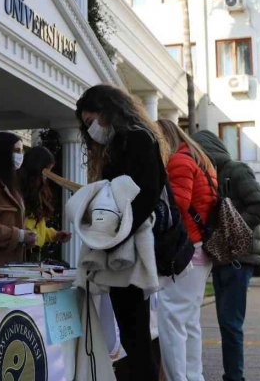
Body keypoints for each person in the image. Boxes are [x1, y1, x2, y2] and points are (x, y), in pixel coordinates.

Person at [75, 84, 166, 381]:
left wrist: (116, 233)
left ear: (108, 111)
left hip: (129, 244)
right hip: (120, 243)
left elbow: (148, 192)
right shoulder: (118, 143)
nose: (91, 130)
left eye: (92, 121)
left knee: (136, 333)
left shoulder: (138, 139)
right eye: (85, 124)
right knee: (131, 332)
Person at [193, 130, 260, 381]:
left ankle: (235, 377)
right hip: (222, 256)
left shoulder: (236, 171)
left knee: (230, 323)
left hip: (238, 258)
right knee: (227, 323)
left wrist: (230, 230)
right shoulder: (209, 175)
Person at [154, 119, 218, 381]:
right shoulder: (200, 159)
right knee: (189, 322)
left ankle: (179, 377)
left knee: (171, 322)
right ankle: (194, 376)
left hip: (188, 252)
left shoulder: (179, 161)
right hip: (202, 250)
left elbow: (176, 204)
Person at [0, 132, 34, 267]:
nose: (20, 155)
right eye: (16, 151)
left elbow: (15, 221)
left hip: (15, 264)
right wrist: (20, 235)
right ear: (4, 153)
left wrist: (27, 235)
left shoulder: (13, 185)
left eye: (21, 151)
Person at [18, 146, 72, 260]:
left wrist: (54, 235)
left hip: (34, 253)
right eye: (46, 172)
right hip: (21, 251)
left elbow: (38, 228)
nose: (46, 177)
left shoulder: (39, 191)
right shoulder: (19, 189)